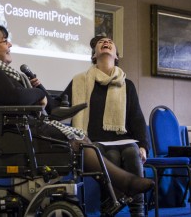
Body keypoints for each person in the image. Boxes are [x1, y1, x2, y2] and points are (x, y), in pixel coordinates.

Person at [0, 20, 154, 215]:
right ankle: (123, 187)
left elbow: (50, 106)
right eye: (5, 41)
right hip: (15, 132)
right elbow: (18, 98)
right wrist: (38, 94)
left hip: (22, 129)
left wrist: (37, 89)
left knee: (107, 148)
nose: (9, 44)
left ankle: (126, 192)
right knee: (85, 144)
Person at [48, 34, 149, 217]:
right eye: (102, 42)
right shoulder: (80, 81)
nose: (106, 42)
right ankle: (108, 209)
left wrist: (143, 145)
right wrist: (40, 89)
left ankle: (138, 211)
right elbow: (58, 107)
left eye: (110, 42)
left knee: (132, 152)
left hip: (124, 140)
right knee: (109, 155)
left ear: (116, 56)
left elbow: (137, 118)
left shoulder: (127, 84)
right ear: (94, 55)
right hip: (94, 140)